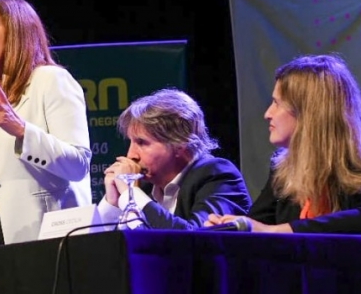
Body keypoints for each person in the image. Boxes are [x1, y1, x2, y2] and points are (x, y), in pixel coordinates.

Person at [207, 54, 361, 263]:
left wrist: (281, 231)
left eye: (277, 103)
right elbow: (259, 222)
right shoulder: (285, 166)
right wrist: (231, 228)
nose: (268, 114)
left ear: (308, 111)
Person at [0, 0, 92, 247]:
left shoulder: (50, 80)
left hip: (42, 234)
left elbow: (78, 164)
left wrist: (22, 131)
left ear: (17, 31)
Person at [96, 88, 252, 229]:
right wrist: (113, 203)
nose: (131, 155)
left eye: (142, 142)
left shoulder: (217, 175)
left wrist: (131, 194)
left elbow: (197, 240)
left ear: (179, 143)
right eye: (131, 142)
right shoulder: (145, 187)